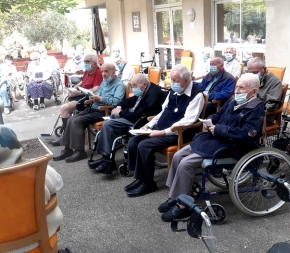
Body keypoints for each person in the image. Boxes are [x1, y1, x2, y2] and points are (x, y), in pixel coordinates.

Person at [158, 73, 265, 222]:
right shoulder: (233, 101)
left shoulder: (256, 108)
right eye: (237, 86)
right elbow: (219, 114)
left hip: (233, 146)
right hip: (216, 139)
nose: (237, 91)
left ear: (253, 92)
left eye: (241, 88)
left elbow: (248, 134)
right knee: (178, 155)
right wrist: (209, 120)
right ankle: (175, 196)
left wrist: (219, 129)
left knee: (186, 163)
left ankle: (183, 207)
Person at [124, 64, 205, 197]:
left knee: (144, 145)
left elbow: (188, 121)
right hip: (160, 128)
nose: (172, 83)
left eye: (175, 80)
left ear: (186, 80)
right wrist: (148, 126)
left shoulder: (197, 95)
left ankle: (149, 183)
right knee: (134, 141)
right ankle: (140, 178)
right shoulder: (173, 91)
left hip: (179, 133)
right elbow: (162, 113)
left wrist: (163, 132)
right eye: (171, 79)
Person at [89, 73, 167, 173]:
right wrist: (120, 106)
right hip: (133, 116)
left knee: (108, 125)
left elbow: (138, 115)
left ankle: (107, 160)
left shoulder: (154, 94)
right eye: (132, 85)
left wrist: (120, 113)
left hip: (141, 121)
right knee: (108, 123)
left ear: (144, 84)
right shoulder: (144, 88)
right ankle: (106, 158)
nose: (133, 88)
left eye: (135, 86)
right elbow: (132, 99)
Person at [52, 63, 125, 163]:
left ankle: (80, 152)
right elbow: (98, 94)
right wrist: (93, 96)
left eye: (106, 71)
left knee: (77, 121)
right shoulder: (104, 83)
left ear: (113, 71)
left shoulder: (119, 84)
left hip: (103, 111)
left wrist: (101, 98)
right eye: (102, 71)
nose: (103, 74)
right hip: (93, 108)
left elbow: (117, 101)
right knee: (71, 119)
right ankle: (67, 149)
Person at [51, 54, 103, 146]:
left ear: (95, 63)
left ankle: (65, 137)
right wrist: (74, 88)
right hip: (80, 94)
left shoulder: (98, 72)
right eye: (85, 61)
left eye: (88, 62)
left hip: (87, 97)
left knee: (64, 108)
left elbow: (96, 89)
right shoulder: (88, 71)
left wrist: (79, 92)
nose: (85, 63)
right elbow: (82, 82)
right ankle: (65, 135)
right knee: (64, 108)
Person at [246, 57, 282, 125]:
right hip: (247, 111)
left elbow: (271, 106)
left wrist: (252, 110)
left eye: (255, 72)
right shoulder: (249, 78)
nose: (252, 75)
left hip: (262, 117)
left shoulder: (275, 81)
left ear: (264, 69)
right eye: (250, 72)